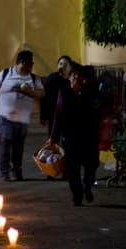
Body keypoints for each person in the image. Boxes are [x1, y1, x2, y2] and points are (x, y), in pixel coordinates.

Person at [47, 64, 102, 206]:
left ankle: (87, 186)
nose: (76, 77)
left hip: (89, 137)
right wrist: (53, 136)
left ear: (84, 78)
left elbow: (99, 111)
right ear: (69, 78)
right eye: (74, 75)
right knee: (73, 170)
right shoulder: (63, 93)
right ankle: (77, 196)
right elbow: (57, 115)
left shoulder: (91, 92)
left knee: (91, 165)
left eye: (79, 75)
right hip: (70, 138)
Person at [0, 49, 45, 182]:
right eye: (30, 63)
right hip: (5, 117)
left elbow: (42, 94)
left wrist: (30, 91)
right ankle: (5, 172)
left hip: (23, 120)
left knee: (19, 148)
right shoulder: (5, 74)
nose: (32, 65)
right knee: (6, 144)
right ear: (22, 62)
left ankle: (17, 171)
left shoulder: (33, 78)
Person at [40, 55, 75, 133]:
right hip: (54, 114)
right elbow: (44, 96)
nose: (62, 66)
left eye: (65, 64)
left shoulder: (74, 79)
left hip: (69, 116)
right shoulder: (52, 78)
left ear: (70, 66)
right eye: (60, 64)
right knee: (53, 139)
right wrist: (43, 116)